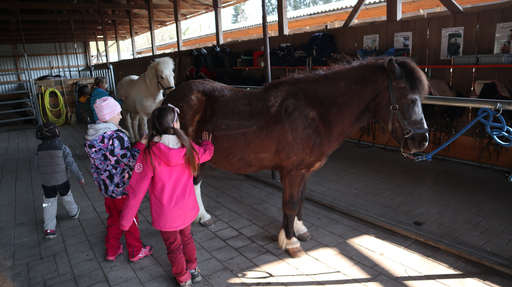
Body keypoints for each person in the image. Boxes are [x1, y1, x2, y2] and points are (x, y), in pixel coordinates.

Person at [119, 104, 214, 286]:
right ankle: (193, 269)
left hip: (166, 215)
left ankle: (183, 278)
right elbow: (206, 154)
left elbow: (136, 189)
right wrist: (207, 143)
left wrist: (125, 220)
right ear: (176, 124)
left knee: (174, 247)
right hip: (186, 210)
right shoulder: (187, 146)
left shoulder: (149, 153)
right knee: (187, 238)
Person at [83, 97, 153, 262]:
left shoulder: (93, 136)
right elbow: (130, 160)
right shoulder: (116, 137)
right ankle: (136, 250)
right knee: (129, 218)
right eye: (118, 113)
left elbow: (115, 158)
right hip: (122, 188)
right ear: (109, 115)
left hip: (107, 189)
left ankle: (112, 249)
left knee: (114, 217)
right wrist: (142, 144)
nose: (121, 116)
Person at [35, 122, 83, 240]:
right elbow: (71, 164)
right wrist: (79, 177)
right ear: (56, 133)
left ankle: (49, 228)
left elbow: (37, 166)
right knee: (67, 196)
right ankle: (73, 212)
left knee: (48, 203)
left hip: (47, 182)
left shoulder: (39, 149)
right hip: (62, 181)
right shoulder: (62, 147)